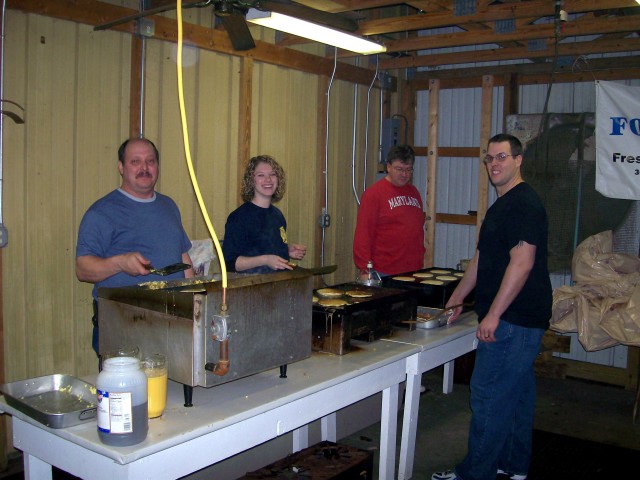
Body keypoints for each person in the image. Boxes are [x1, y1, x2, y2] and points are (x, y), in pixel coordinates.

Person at [432, 133, 552, 480]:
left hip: (514, 321)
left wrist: (494, 315)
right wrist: (457, 298)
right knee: (516, 397)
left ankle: (475, 474)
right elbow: (482, 258)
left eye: (501, 157)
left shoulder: (524, 204)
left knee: (487, 398)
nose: (494, 164)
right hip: (518, 320)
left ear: (518, 160)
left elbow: (523, 262)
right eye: (489, 158)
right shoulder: (502, 204)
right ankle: (512, 466)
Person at [76, 137, 194, 356]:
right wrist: (120, 263)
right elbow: (82, 269)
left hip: (171, 326)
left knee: (171, 389)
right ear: (121, 167)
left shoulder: (168, 206)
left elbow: (183, 258)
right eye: (135, 161)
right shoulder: (101, 212)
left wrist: (197, 301)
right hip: (123, 327)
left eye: (150, 161)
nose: (144, 167)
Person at [223, 154, 306, 274]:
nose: (268, 180)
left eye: (272, 174)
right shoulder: (238, 218)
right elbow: (230, 263)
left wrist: (286, 251)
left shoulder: (278, 216)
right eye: (261, 175)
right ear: (251, 181)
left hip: (278, 285)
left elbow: (264, 248)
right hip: (251, 288)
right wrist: (265, 260)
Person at [353, 144, 425, 278]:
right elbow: (363, 234)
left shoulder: (414, 193)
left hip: (413, 270)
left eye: (408, 170)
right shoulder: (374, 194)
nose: (404, 174)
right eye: (399, 169)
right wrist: (365, 269)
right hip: (384, 271)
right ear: (388, 167)